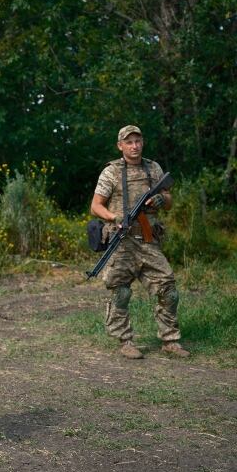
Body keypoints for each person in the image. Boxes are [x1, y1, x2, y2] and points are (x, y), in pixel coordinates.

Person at [90, 125, 190, 360]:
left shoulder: (153, 168)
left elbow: (168, 200)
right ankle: (125, 341)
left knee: (169, 290)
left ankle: (170, 341)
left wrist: (160, 199)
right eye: (129, 142)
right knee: (120, 292)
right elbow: (96, 206)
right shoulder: (111, 172)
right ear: (120, 146)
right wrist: (114, 217)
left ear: (142, 143)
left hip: (148, 240)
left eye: (138, 141)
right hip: (121, 239)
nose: (134, 146)